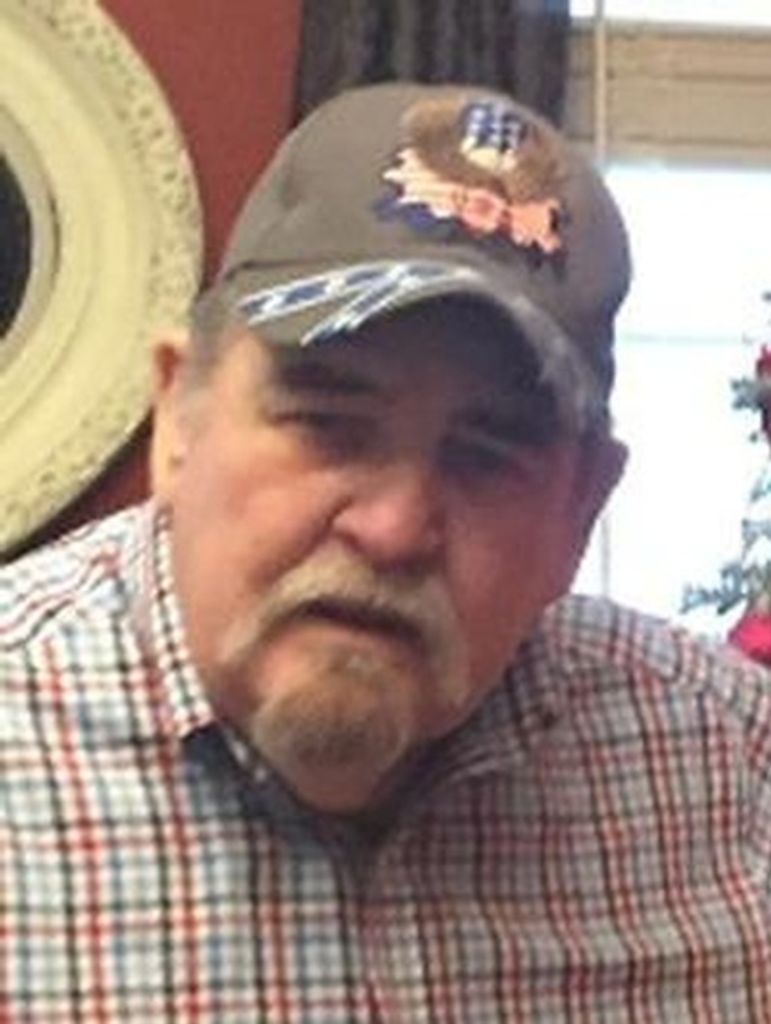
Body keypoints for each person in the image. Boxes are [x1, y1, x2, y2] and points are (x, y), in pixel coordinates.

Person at [3, 82, 771, 1022]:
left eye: (486, 454)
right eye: (327, 423)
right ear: (177, 419)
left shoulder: (735, 769)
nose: (395, 528)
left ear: (580, 509)